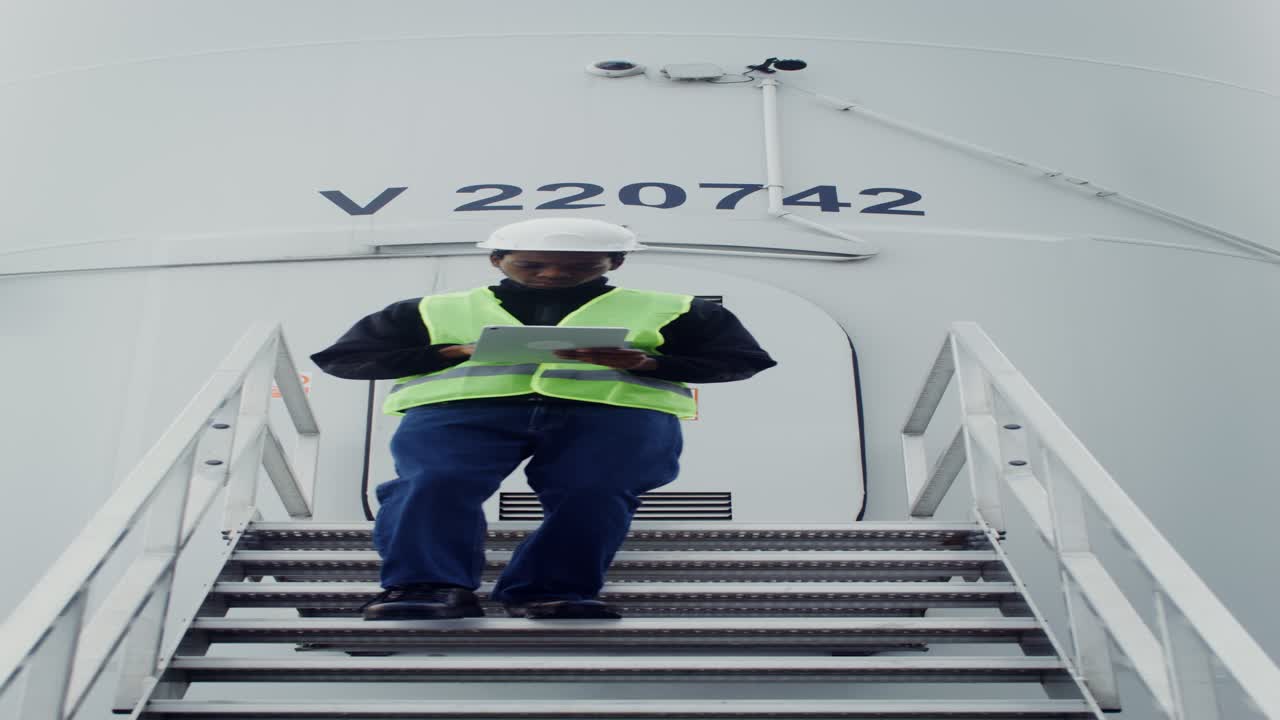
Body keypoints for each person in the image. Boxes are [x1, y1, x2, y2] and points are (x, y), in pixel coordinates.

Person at [311, 218, 777, 620]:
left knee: (594, 492)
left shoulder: (678, 310)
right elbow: (346, 359)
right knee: (434, 482)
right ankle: (427, 587)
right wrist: (455, 351)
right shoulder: (429, 310)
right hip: (462, 411)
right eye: (531, 265)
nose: (554, 274)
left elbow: (740, 360)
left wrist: (645, 364)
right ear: (496, 259)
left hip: (613, 413)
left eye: (579, 267)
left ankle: (553, 590)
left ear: (614, 263)